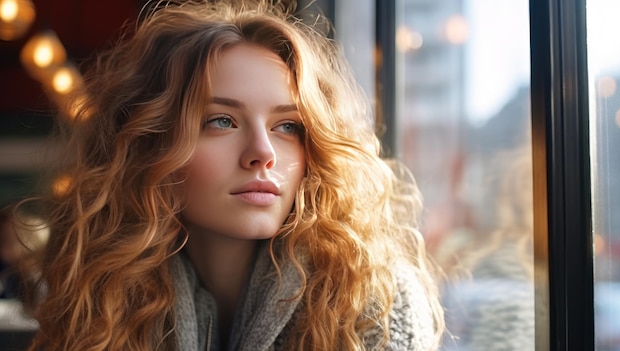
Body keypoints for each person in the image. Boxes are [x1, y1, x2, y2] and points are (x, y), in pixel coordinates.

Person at [21, 0, 444, 350]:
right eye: (222, 121)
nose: (262, 153)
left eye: (288, 127)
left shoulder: (370, 302)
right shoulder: (99, 299)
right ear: (148, 144)